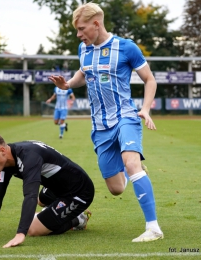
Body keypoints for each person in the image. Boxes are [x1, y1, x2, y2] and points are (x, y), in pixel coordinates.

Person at [48, 2, 163, 242]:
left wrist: (145, 109)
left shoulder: (126, 47)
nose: (79, 34)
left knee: (131, 164)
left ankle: (153, 228)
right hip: (100, 126)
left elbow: (149, 79)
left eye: (81, 29)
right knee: (117, 188)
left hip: (125, 117)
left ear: (96, 24)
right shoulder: (84, 49)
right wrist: (67, 84)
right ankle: (133, 169)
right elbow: (83, 72)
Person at [0, 130, 94, 248]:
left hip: (79, 191)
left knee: (33, 229)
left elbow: (30, 194)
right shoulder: (5, 160)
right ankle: (57, 211)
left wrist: (21, 233)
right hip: (55, 187)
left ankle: (78, 219)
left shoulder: (29, 157)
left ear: (2, 151)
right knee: (40, 201)